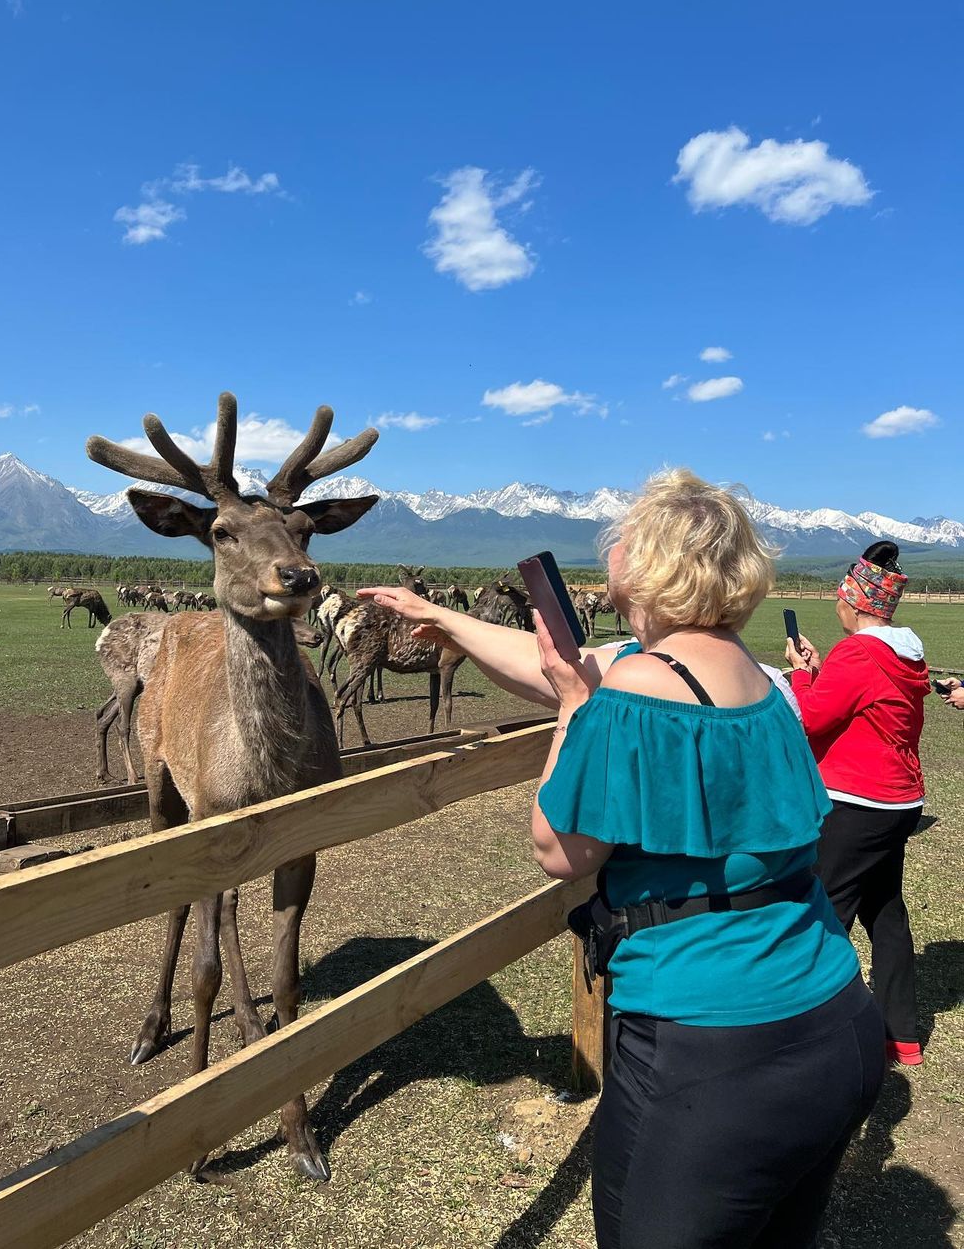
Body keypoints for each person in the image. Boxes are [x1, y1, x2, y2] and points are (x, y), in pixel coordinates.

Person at [361, 470, 883, 1249]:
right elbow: (571, 662)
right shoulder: (761, 677)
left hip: (709, 1056)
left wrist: (573, 707)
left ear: (650, 568)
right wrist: (441, 616)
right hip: (832, 1022)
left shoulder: (636, 685)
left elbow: (557, 848)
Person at [785, 541, 931, 1066]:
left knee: (825, 916)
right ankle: (901, 1035)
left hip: (856, 803)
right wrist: (820, 673)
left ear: (857, 602)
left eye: (841, 598)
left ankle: (811, 1038)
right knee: (885, 914)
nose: (836, 605)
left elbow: (809, 721)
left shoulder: (859, 653)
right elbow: (858, 711)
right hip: (898, 803)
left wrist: (801, 675)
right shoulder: (903, 655)